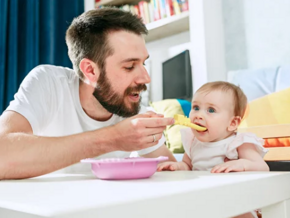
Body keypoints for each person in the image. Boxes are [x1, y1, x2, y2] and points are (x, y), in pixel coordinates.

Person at [0, 8, 176, 180]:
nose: (145, 78)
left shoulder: (130, 109)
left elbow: (171, 171)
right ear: (90, 70)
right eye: (129, 66)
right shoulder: (49, 83)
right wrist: (113, 138)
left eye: (143, 64)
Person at [157, 81, 269, 218]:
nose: (198, 115)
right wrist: (177, 166)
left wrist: (242, 164)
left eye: (211, 110)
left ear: (232, 123)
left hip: (236, 201)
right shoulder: (193, 141)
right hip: (203, 200)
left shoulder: (238, 143)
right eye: (196, 107)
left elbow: (262, 167)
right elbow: (187, 165)